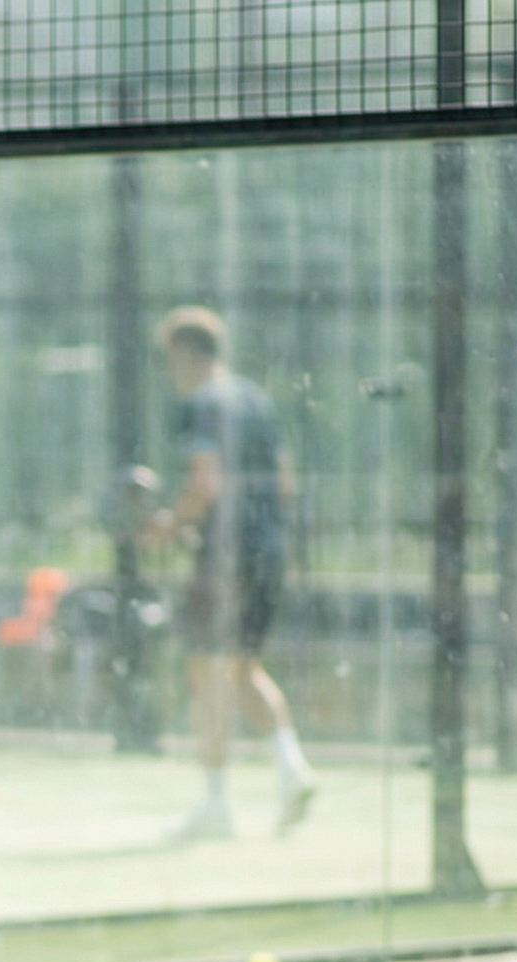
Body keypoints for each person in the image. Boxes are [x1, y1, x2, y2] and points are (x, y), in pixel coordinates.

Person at [143, 307, 316, 839]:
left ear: (185, 353)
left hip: (226, 556)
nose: (169, 369)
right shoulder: (256, 402)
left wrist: (171, 526)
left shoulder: (201, 405)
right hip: (270, 550)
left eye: (170, 358)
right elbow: (284, 483)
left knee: (206, 672)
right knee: (242, 668)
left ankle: (217, 805)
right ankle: (293, 770)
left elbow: (206, 482)